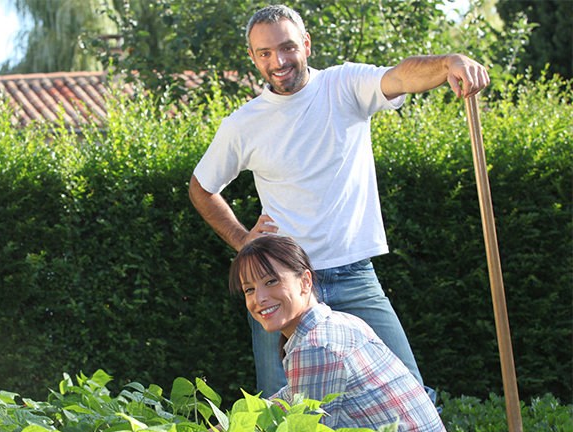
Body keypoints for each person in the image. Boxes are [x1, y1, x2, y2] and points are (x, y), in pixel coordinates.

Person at [188, 3, 490, 397]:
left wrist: (450, 62)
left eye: (287, 47)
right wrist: (243, 240)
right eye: (265, 53)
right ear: (253, 57)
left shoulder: (344, 85)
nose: (278, 61)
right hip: (282, 282)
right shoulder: (243, 124)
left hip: (354, 275)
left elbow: (401, 76)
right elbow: (201, 188)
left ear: (307, 45)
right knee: (279, 410)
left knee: (410, 393)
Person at [230, 235, 453, 432]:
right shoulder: (341, 322)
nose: (259, 299)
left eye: (271, 281)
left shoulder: (314, 347)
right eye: (249, 289)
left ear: (305, 281)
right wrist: (227, 428)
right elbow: (291, 397)